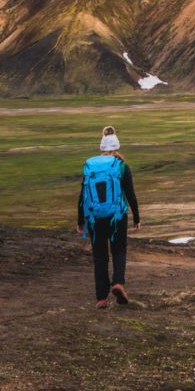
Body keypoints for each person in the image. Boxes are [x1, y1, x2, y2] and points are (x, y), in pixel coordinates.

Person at [77, 126, 141, 308]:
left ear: (101, 148)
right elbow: (131, 195)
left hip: (95, 219)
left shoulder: (91, 167)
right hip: (117, 217)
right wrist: (136, 217)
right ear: (117, 148)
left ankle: (101, 298)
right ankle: (118, 283)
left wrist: (80, 221)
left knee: (99, 256)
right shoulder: (121, 167)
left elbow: (83, 196)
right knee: (119, 250)